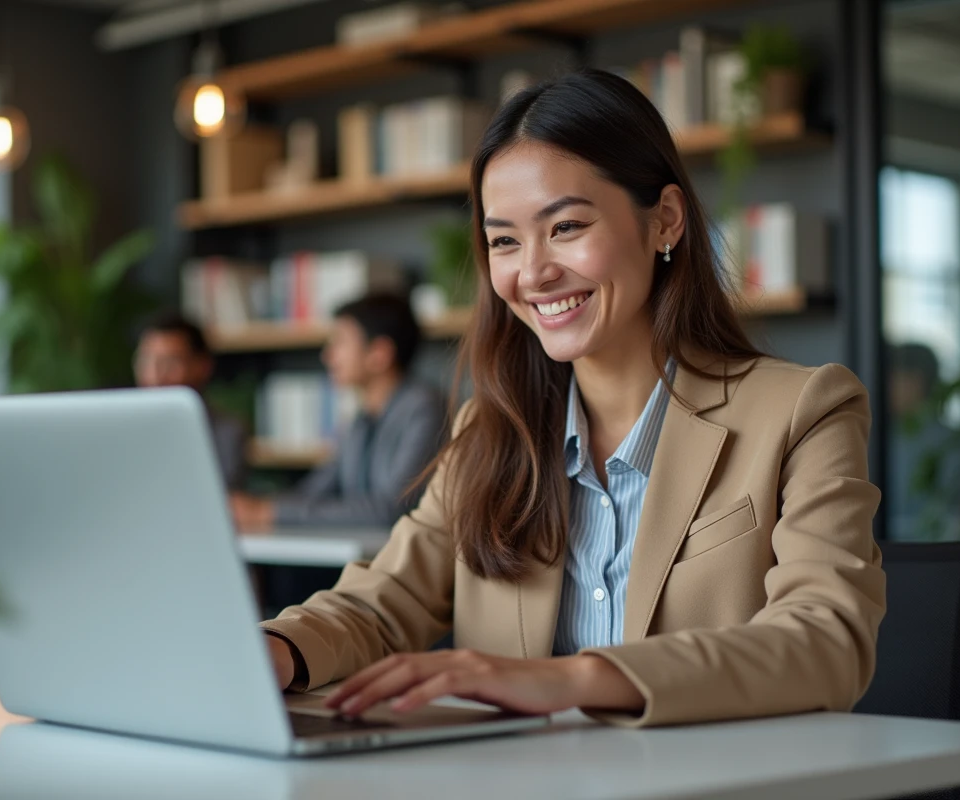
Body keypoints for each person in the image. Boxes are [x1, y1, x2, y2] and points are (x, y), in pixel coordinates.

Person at [257, 69, 886, 727]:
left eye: (566, 227)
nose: (532, 272)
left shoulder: (802, 411)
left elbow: (827, 641)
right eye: (504, 241)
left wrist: (572, 679)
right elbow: (382, 602)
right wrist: (273, 651)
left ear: (664, 221)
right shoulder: (489, 434)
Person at [231, 294, 447, 529]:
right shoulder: (362, 419)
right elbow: (315, 490)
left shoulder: (425, 408)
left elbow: (390, 510)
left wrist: (272, 513)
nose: (328, 356)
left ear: (379, 353)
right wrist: (256, 507)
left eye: (340, 342)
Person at [135, 312, 247, 489]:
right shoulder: (125, 427)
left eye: (169, 362)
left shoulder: (226, 432)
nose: (155, 375)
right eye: (146, 360)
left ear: (202, 367)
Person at [886, 342, 960, 540]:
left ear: (914, 382)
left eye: (891, 377)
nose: (884, 387)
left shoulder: (947, 442)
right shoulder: (886, 435)